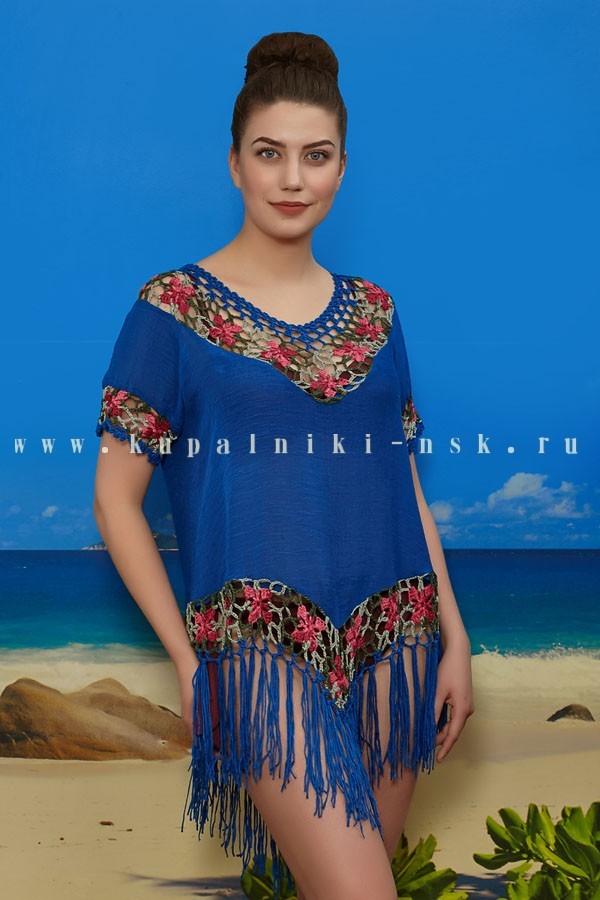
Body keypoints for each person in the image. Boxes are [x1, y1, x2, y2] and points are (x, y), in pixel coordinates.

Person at [93, 30, 474, 900]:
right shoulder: (171, 309)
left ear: (342, 167)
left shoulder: (377, 314)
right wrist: (192, 662)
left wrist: (454, 638)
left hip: (399, 641)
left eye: (316, 155)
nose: (293, 178)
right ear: (235, 164)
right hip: (259, 654)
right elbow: (115, 501)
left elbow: (404, 487)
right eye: (270, 154)